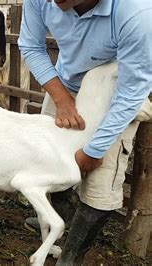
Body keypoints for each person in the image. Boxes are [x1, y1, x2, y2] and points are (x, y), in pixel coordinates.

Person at [18, 0, 152, 264]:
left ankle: (71, 257)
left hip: (114, 94)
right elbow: (31, 45)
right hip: (65, 84)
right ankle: (59, 216)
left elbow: (130, 92)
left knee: (99, 185)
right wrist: (61, 99)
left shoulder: (136, 12)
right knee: (50, 159)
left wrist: (94, 150)